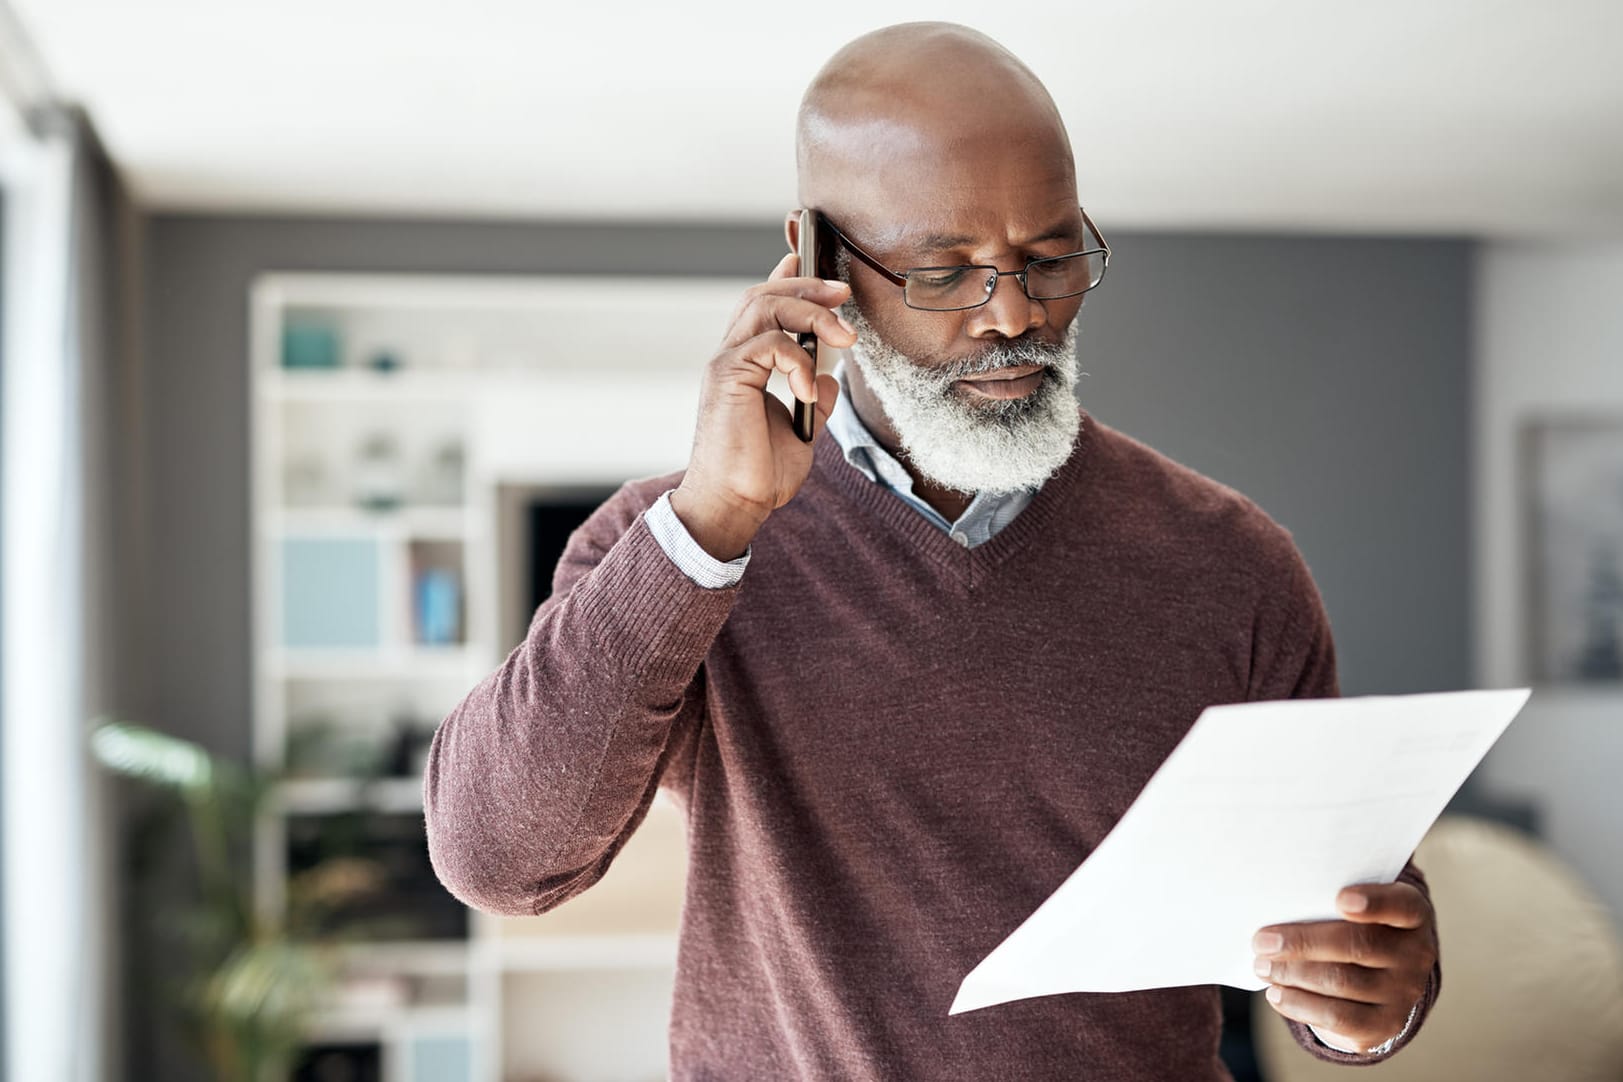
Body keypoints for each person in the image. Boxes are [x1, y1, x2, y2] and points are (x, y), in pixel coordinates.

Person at [424, 21, 1440, 1080]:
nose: (1014, 315)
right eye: (943, 272)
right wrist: (711, 523)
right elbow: (500, 859)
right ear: (820, 261)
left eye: (1049, 256)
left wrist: (1369, 1001)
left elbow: (1351, 930)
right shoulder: (674, 545)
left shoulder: (1230, 565)